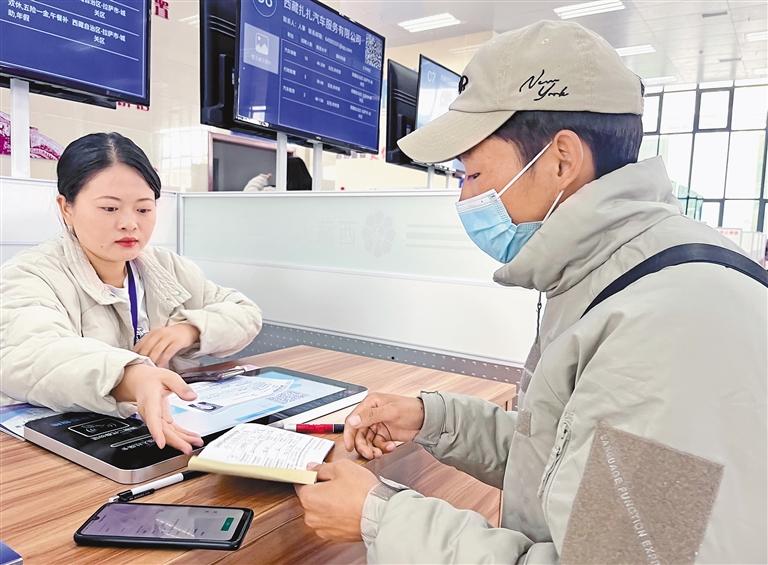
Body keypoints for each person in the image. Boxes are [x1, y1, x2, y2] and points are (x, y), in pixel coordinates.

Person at [293, 21, 767, 562]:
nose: (464, 200)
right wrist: (432, 419)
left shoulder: (671, 324)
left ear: (561, 160)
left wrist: (380, 517)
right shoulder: (618, 276)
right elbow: (570, 464)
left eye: (473, 176)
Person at [0, 132, 263, 454]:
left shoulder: (165, 266)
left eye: (143, 209)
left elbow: (244, 312)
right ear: (66, 208)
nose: (129, 223)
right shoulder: (30, 273)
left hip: (163, 434)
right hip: (64, 448)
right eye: (110, 208)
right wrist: (128, 376)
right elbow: (28, 354)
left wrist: (191, 329)